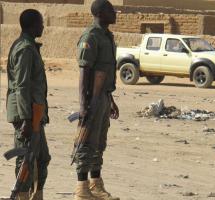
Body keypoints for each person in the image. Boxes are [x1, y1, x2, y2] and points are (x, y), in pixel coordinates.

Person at [73, 0, 119, 199]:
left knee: (99, 142)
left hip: (104, 96)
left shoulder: (106, 36)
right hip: (92, 98)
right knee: (85, 142)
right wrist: (84, 105)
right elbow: (85, 71)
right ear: (100, 13)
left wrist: (111, 98)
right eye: (110, 10)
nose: (115, 13)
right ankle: (82, 189)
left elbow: (105, 71)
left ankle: (96, 185)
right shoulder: (90, 36)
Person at [6, 9, 51, 200]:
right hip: (27, 114)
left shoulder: (30, 47)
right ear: (32, 25)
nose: (43, 26)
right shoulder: (24, 48)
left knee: (41, 158)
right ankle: (22, 195)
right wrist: (25, 119)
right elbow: (21, 86)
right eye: (41, 23)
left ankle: (36, 195)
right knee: (26, 158)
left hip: (35, 112)